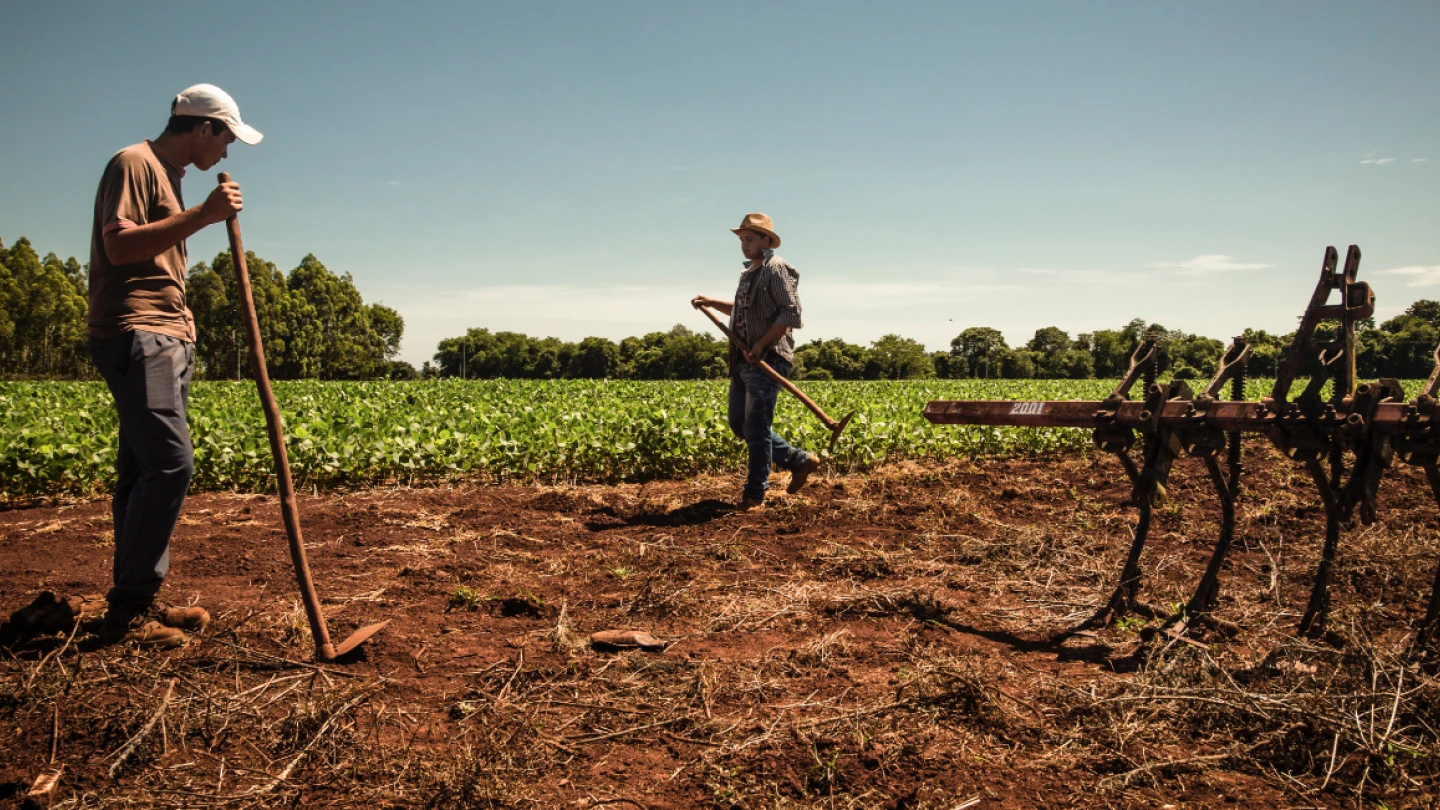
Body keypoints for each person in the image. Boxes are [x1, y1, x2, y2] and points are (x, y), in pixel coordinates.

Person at [87, 84, 263, 647]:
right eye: (228, 137)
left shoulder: (171, 175)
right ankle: (132, 608)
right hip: (139, 332)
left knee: (143, 472)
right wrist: (205, 216)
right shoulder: (133, 163)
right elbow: (119, 248)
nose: (228, 152)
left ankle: (132, 600)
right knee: (171, 465)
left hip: (167, 334)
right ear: (204, 127)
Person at [692, 213, 820, 509]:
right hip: (743, 359)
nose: (744, 244)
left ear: (766, 240)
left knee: (757, 427)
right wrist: (710, 302)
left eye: (749, 239)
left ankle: (754, 494)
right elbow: (741, 310)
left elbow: (791, 313)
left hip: (768, 359)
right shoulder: (748, 273)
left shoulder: (777, 269)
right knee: (740, 424)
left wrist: (762, 344)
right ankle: (798, 461)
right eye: (741, 240)